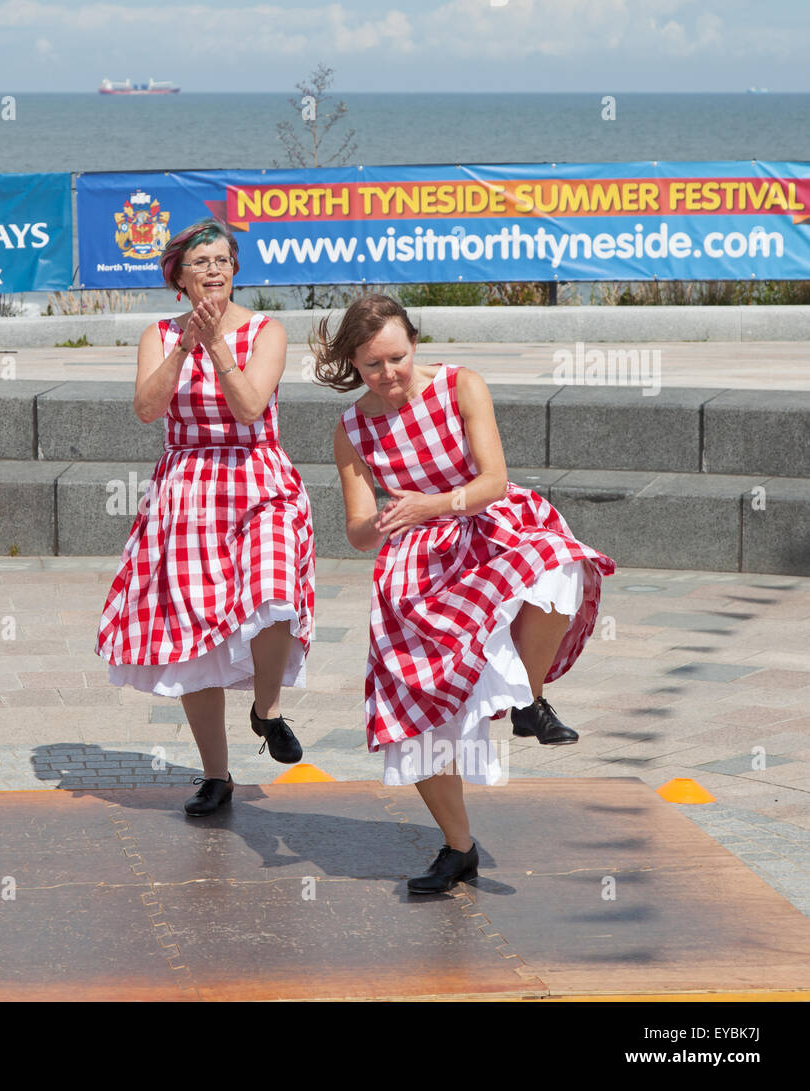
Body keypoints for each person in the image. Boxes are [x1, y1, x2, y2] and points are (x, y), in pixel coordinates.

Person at [318, 294, 615, 893]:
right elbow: (355, 531)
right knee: (413, 706)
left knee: (559, 564)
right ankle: (458, 848)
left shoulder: (461, 386)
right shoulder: (351, 429)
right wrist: (379, 522)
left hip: (483, 522)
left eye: (397, 358)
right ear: (353, 362)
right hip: (416, 559)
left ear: (414, 344)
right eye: (372, 365)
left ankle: (529, 700)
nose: (389, 374)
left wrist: (431, 504)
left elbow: (493, 480)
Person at [96, 218, 315, 817]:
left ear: (235, 269)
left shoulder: (267, 330)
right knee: (195, 629)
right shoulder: (159, 335)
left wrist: (216, 345)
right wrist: (185, 348)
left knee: (274, 593)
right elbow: (145, 410)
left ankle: (266, 710)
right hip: (188, 486)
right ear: (179, 276)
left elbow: (249, 407)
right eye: (200, 263)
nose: (213, 271)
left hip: (256, 476)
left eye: (221, 260)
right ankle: (215, 776)